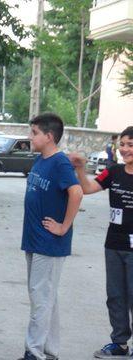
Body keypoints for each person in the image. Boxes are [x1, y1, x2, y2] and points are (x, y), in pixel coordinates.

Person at [18, 113, 83, 360]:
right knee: (47, 298)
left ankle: (34, 352)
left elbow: (76, 193)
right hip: (34, 240)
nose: (30, 137)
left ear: (49, 136)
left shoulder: (59, 163)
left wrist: (64, 227)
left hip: (49, 243)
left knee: (40, 298)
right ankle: (49, 350)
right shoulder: (42, 160)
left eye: (34, 133)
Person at [67, 126, 133, 359]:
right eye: (122, 144)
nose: (125, 149)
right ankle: (120, 343)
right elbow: (87, 188)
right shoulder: (114, 171)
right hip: (114, 244)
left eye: (130, 145)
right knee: (115, 295)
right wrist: (80, 168)